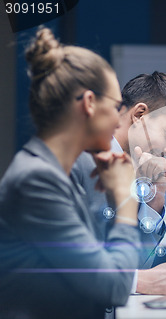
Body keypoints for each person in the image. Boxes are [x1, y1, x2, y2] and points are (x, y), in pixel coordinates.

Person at [0, 28, 140, 319]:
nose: (118, 119)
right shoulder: (36, 180)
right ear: (89, 103)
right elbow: (113, 286)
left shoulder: (55, 174)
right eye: (116, 107)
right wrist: (127, 200)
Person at [72, 72, 166, 295]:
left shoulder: (138, 176)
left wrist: (156, 199)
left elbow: (134, 264)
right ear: (139, 114)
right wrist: (137, 282)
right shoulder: (77, 159)